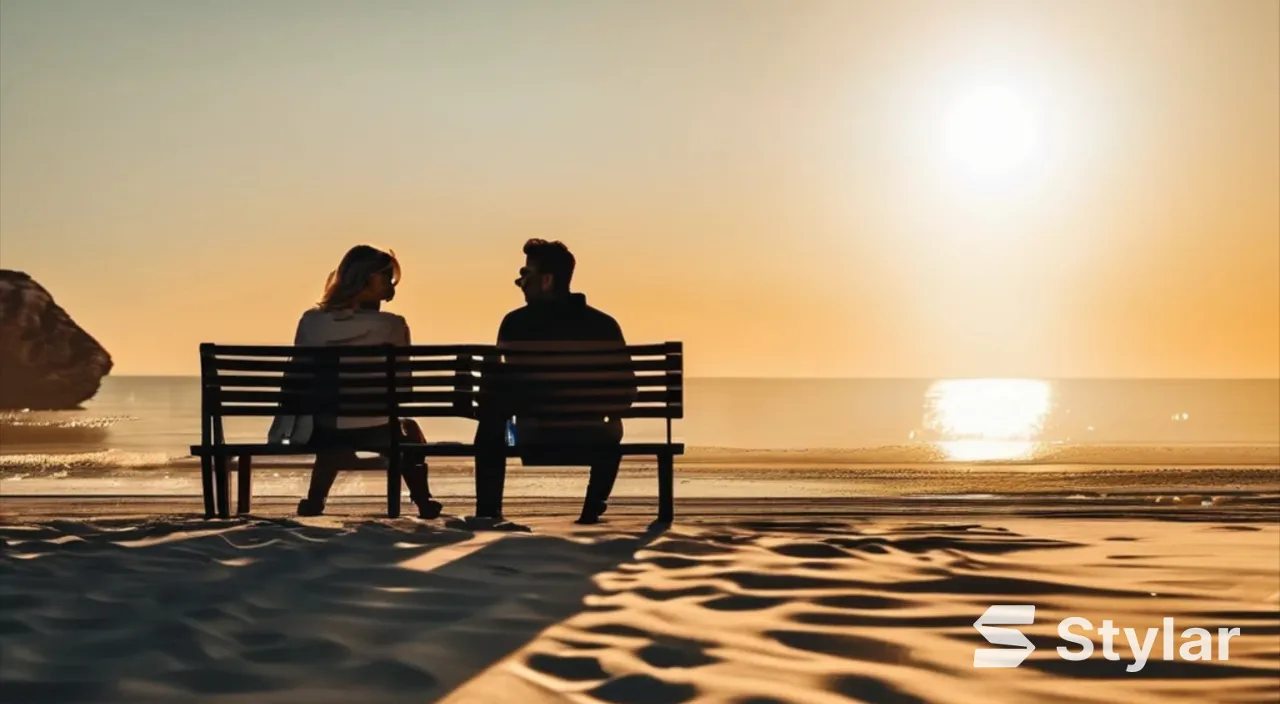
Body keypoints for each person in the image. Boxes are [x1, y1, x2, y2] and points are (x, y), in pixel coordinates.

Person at [271, 245, 442, 518]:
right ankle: (423, 500)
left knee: (336, 432)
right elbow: (404, 391)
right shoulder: (392, 325)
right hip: (378, 428)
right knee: (409, 430)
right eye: (386, 276)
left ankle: (315, 500)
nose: (392, 282)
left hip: (325, 428)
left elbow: (300, 378)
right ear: (367, 279)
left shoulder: (312, 321)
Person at [472, 239, 635, 525]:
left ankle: (488, 510)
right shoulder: (604, 324)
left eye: (525, 274)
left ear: (546, 280)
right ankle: (593, 504)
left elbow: (496, 389)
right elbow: (626, 393)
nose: (519, 282)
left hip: (533, 434)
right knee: (613, 426)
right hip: (593, 436)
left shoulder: (515, 323)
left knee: (490, 425)